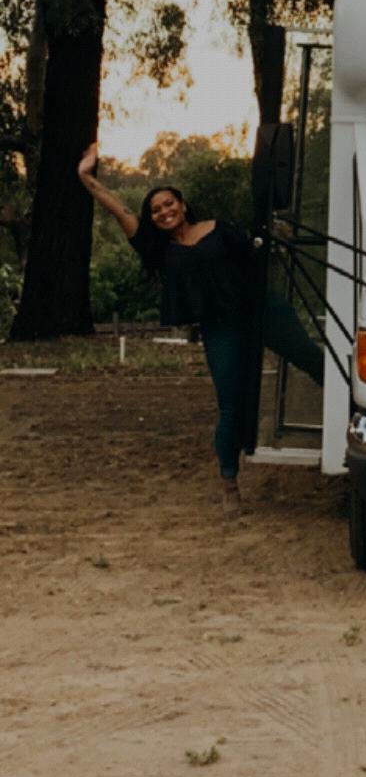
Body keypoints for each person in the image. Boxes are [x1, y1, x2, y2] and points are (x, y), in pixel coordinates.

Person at [77, 145, 324, 516]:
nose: (164, 212)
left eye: (169, 204)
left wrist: (281, 233)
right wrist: (85, 176)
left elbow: (258, 253)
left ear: (183, 204)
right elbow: (118, 208)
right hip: (219, 327)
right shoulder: (157, 249)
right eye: (156, 210)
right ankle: (230, 483)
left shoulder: (219, 229)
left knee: (312, 360)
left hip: (261, 310)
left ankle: (356, 417)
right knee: (230, 403)